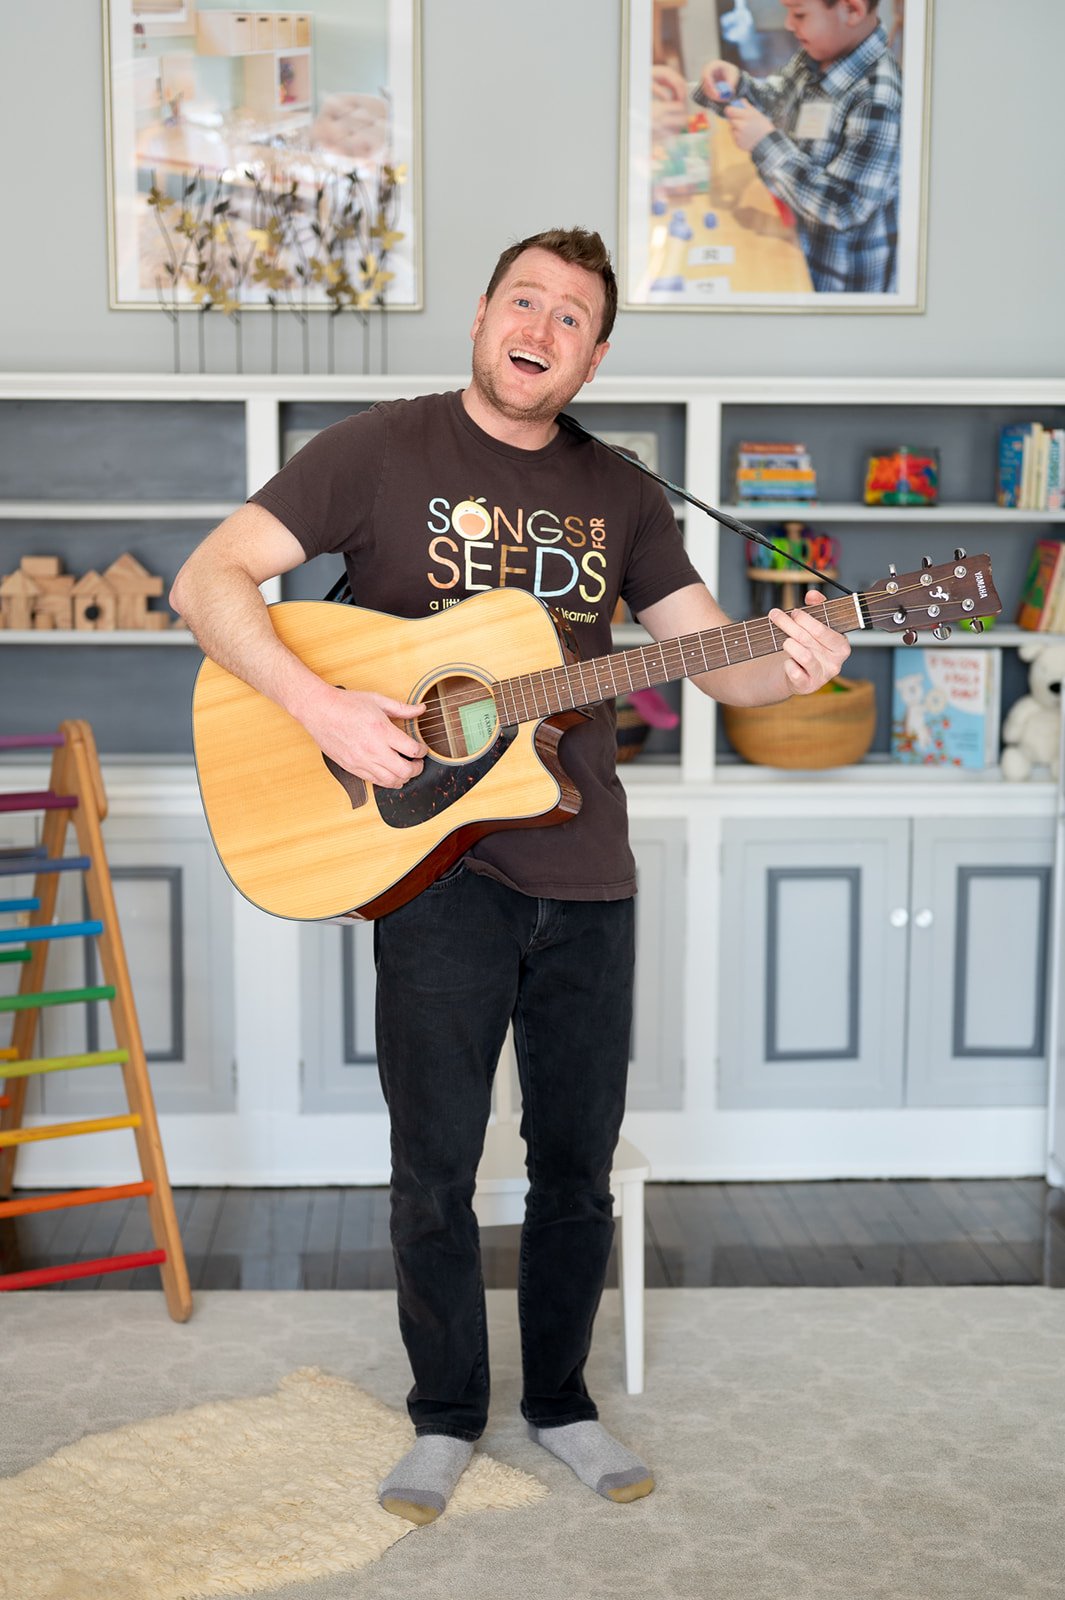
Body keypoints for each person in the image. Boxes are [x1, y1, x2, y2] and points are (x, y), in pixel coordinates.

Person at [169, 226, 849, 1524]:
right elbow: (211, 583)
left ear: (594, 355)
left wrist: (795, 660)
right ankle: (442, 1416)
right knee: (431, 1164)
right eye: (522, 299)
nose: (541, 325)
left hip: (585, 872)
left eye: (573, 316)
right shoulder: (376, 452)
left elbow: (720, 660)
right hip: (430, 873)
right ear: (482, 316)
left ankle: (560, 1403)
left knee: (574, 1167)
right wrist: (320, 709)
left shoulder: (629, 498)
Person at [679, 0, 902, 293]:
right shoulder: (816, 55)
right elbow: (777, 98)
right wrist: (735, 86)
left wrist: (764, 142)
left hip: (836, 283)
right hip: (795, 241)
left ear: (852, 10)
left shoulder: (878, 98)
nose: (788, 24)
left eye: (799, 14)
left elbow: (844, 206)